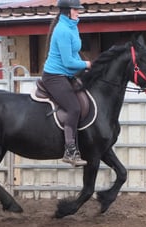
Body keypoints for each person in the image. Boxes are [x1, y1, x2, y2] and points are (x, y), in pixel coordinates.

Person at [42, 0, 91, 166]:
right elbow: (68, 61)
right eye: (76, 9)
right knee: (74, 107)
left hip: (67, 74)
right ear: (67, 11)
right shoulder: (62, 30)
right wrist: (87, 64)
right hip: (54, 76)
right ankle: (70, 151)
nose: (78, 12)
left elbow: (74, 53)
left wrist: (85, 68)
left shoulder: (72, 26)